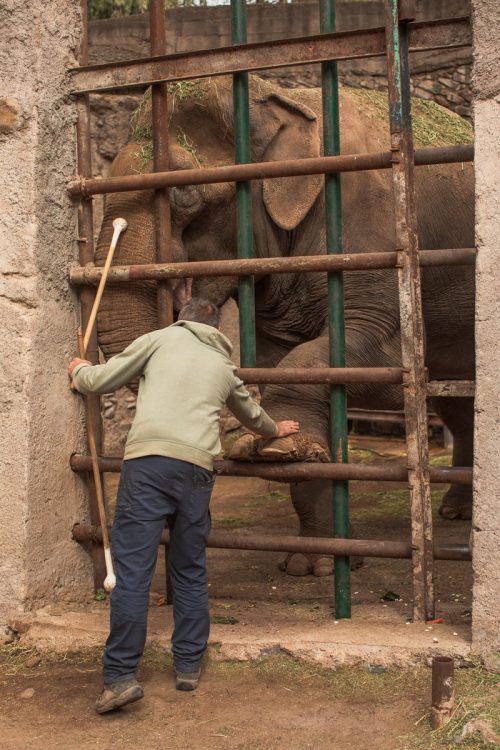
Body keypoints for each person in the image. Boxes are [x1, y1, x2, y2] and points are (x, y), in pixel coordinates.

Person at [68, 298, 299, 714]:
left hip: (148, 465)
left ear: (182, 321)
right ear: (216, 331)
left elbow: (102, 379)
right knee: (189, 567)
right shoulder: (222, 365)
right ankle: (188, 666)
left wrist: (78, 371)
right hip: (196, 470)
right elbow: (251, 414)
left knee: (134, 572)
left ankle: (120, 677)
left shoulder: (159, 339)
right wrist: (274, 428)